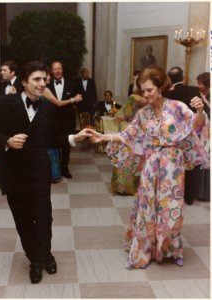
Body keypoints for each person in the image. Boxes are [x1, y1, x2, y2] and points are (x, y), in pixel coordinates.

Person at [88, 66, 209, 269]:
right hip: (151, 164)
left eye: (149, 90)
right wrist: (104, 136)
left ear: (160, 87)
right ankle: (144, 249)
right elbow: (128, 135)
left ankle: (171, 249)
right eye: (142, 91)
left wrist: (199, 110)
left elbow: (196, 125)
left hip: (173, 165)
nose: (145, 94)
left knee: (172, 209)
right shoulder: (143, 114)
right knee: (147, 208)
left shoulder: (177, 107)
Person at [0, 61, 91, 284]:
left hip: (39, 171)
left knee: (43, 217)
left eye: (45, 79)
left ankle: (45, 254)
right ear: (24, 82)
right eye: (37, 80)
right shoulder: (3, 103)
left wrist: (73, 138)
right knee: (22, 218)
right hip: (13, 172)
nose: (43, 84)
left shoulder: (49, 108)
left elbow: (51, 139)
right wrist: (7, 141)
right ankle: (34, 259)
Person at [166, 66, 201, 204]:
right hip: (189, 134)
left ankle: (173, 196)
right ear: (183, 77)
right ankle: (189, 197)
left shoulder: (167, 93)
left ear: (169, 78)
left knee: (173, 165)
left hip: (172, 136)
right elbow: (199, 111)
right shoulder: (193, 90)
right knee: (190, 166)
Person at [47, 60, 82, 179]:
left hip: (67, 121)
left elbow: (79, 100)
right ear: (51, 71)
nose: (57, 71)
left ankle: (65, 168)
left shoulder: (71, 84)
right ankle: (55, 169)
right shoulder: (46, 85)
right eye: (55, 69)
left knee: (67, 145)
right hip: (52, 121)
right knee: (54, 144)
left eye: (59, 68)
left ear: (62, 70)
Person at [111, 93, 146, 195]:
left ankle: (122, 187)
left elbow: (125, 114)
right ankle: (134, 187)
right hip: (140, 130)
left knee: (125, 159)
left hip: (128, 129)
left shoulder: (134, 97)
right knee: (135, 160)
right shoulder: (150, 98)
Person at [193, 72, 210, 201]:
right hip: (202, 131)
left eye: (200, 83)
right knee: (201, 157)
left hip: (209, 133)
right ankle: (199, 191)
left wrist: (205, 102)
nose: (198, 86)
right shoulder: (200, 95)